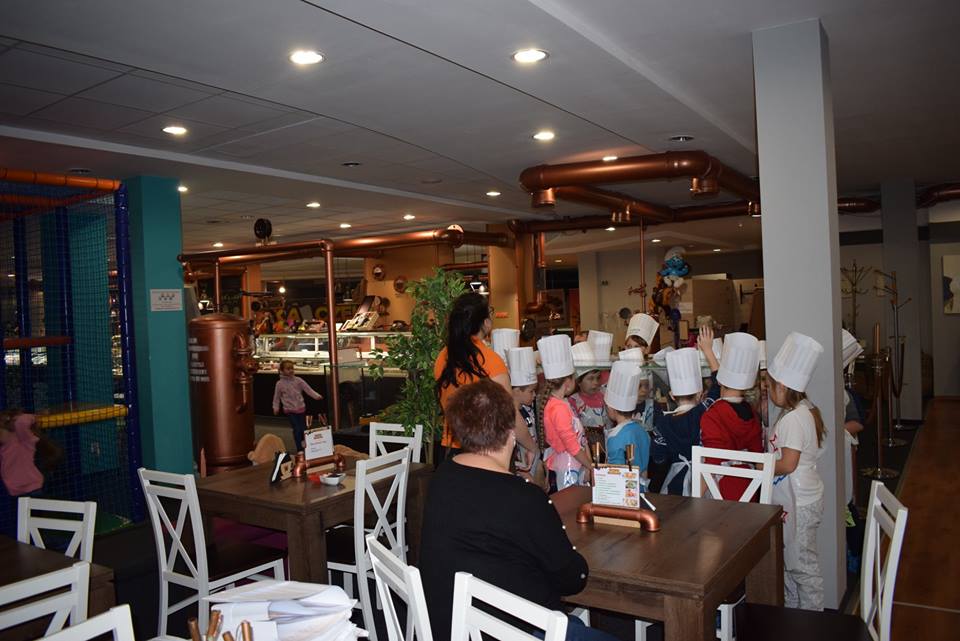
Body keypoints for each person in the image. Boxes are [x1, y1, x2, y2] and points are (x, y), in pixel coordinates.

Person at [419, 379, 616, 641]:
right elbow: (572, 578)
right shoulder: (523, 497)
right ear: (511, 432)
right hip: (509, 631)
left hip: (449, 625)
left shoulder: (442, 477)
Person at [435, 293, 539, 461]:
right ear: (486, 323)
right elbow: (510, 415)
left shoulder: (443, 357)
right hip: (485, 453)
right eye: (490, 312)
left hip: (450, 449)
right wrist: (533, 448)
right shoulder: (490, 360)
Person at [767, 332, 826, 611]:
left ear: (781, 387)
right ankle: (793, 615)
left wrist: (761, 465)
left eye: (769, 386)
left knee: (801, 566)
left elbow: (788, 464)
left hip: (799, 500)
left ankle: (812, 620)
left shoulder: (793, 419)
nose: (768, 392)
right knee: (790, 561)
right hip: (801, 497)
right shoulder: (806, 410)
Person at [650, 328, 721, 495]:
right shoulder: (703, 412)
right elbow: (719, 386)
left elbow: (659, 457)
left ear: (672, 395)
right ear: (700, 394)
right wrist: (708, 351)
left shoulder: (663, 423)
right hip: (703, 482)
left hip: (675, 484)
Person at [698, 332, 764, 500]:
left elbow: (711, 464)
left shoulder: (713, 415)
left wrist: (692, 500)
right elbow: (760, 460)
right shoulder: (753, 414)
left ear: (720, 381)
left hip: (722, 496)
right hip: (751, 494)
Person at [538, 334, 593, 492]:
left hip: (571, 463)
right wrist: (591, 466)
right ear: (568, 382)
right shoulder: (559, 408)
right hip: (567, 468)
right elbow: (572, 447)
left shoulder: (559, 403)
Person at [603, 361, 649, 474]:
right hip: (641, 482)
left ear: (611, 408)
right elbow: (645, 470)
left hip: (624, 484)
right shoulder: (642, 430)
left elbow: (615, 472)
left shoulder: (615, 436)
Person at [506, 346, 544, 483]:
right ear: (516, 391)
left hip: (533, 465)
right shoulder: (510, 415)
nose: (534, 395)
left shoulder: (527, 409)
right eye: (531, 391)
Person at [272, 359, 322, 451]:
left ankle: (305, 445)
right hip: (289, 410)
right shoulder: (279, 384)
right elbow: (276, 397)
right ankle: (299, 449)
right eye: (288, 369)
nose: (291, 370)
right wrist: (276, 407)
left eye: (292, 368)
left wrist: (316, 396)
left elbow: (308, 389)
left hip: (300, 408)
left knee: (303, 429)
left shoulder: (298, 380)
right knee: (297, 429)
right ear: (282, 371)